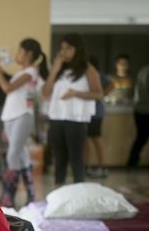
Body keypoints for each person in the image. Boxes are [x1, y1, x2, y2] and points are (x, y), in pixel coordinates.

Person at [0, 38, 48, 208]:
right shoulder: (22, 72)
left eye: (19, 51)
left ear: (28, 54)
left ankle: (8, 196)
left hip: (23, 115)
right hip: (12, 117)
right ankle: (30, 196)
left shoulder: (30, 71)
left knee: (13, 155)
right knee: (21, 156)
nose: (16, 55)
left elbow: (8, 88)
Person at [42, 33, 103, 186]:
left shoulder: (88, 69)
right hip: (57, 118)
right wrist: (54, 70)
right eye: (62, 48)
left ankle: (78, 195)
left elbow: (99, 94)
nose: (64, 52)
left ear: (77, 50)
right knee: (59, 160)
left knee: (76, 160)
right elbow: (45, 93)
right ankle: (59, 195)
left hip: (76, 119)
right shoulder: (58, 69)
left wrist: (76, 93)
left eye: (68, 48)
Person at [86, 57, 114, 178]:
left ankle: (103, 166)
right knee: (86, 139)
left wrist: (101, 94)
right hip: (86, 112)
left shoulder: (95, 74)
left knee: (96, 138)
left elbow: (112, 85)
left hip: (95, 112)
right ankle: (86, 165)